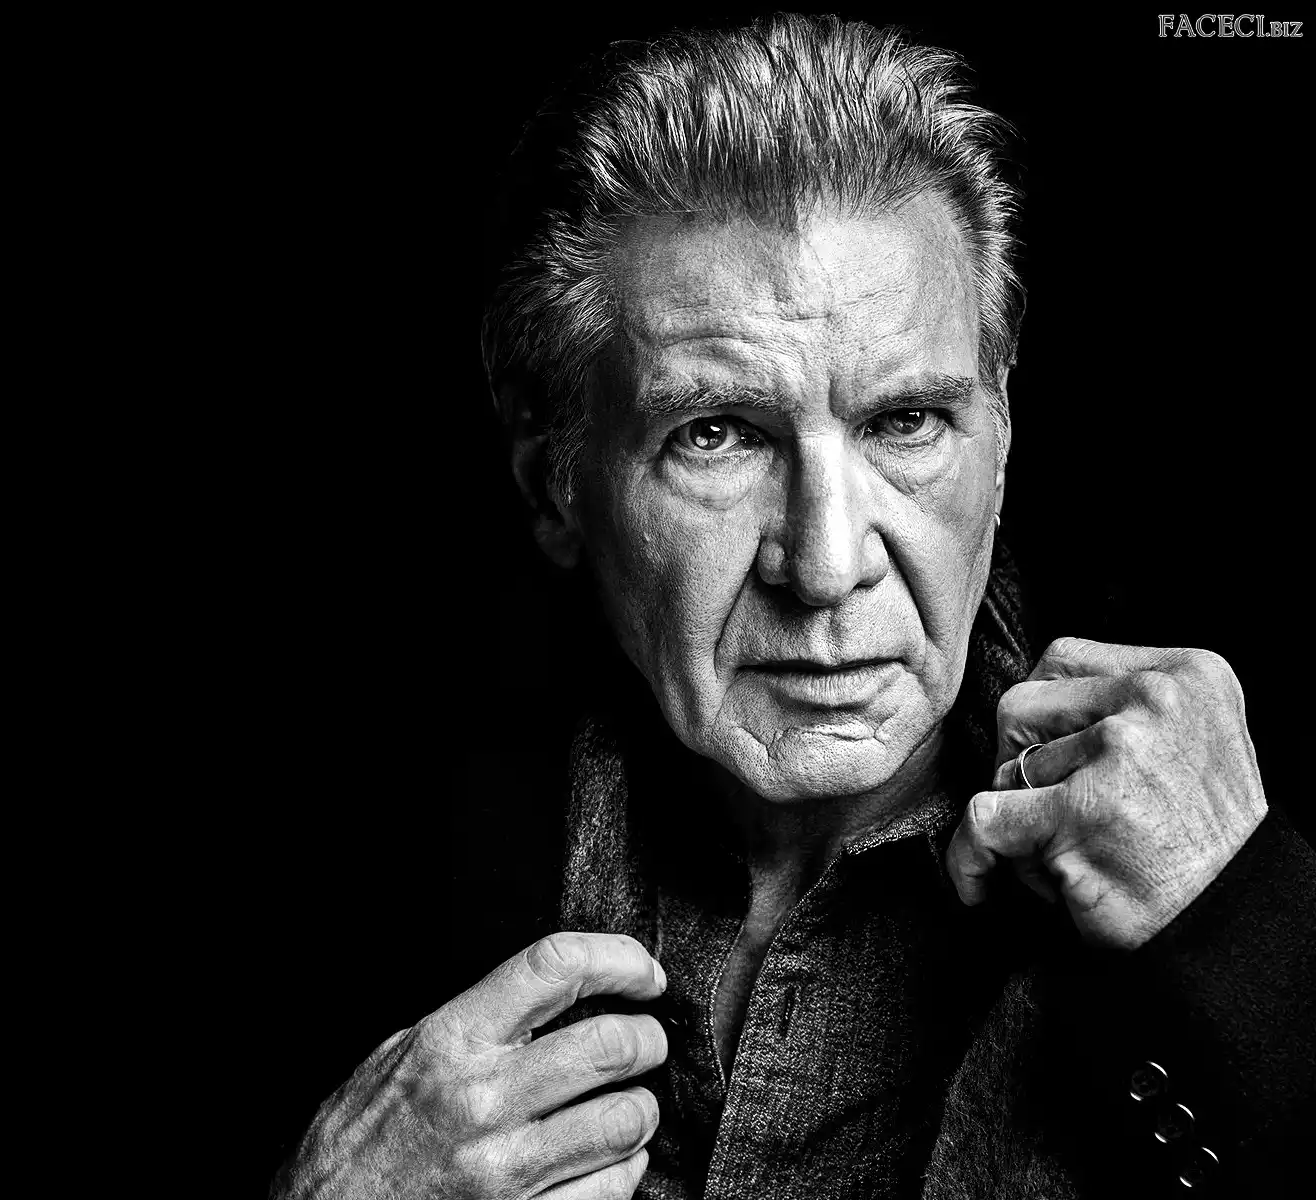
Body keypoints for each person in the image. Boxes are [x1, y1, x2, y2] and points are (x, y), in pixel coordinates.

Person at [270, 14, 1313, 1199]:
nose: (824, 567)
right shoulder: (365, 833)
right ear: (555, 481)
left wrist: (1242, 942)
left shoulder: (1237, 830)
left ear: (1002, 438)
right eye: (716, 435)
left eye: (905, 422)